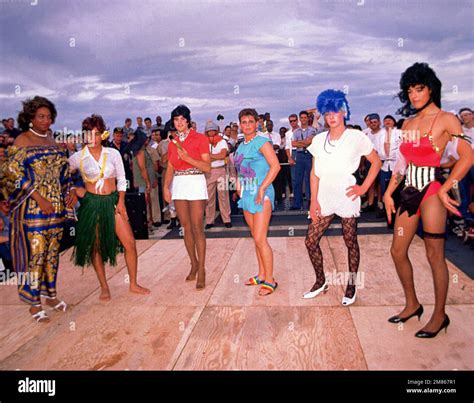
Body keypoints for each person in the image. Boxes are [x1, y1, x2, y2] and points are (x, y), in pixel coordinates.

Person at [384, 63, 472, 338]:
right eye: (409, 90)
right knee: (397, 251)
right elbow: (401, 162)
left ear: (430, 88)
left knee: (435, 255)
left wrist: (447, 187)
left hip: (433, 190)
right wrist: (388, 192)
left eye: (418, 88)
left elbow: (467, 156)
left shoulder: (447, 119)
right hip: (409, 191)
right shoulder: (408, 123)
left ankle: (439, 315)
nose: (413, 94)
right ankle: (412, 303)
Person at [1, 96, 77, 322]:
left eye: (49, 116)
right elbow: (12, 173)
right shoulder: (22, 140)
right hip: (33, 208)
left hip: (55, 208)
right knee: (36, 254)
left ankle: (51, 295)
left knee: (52, 254)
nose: (46, 120)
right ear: (30, 118)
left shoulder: (52, 140)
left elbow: (64, 172)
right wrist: (37, 196)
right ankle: (34, 302)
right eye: (41, 116)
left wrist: (69, 191)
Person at [303, 90, 381, 305]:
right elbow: (314, 172)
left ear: (343, 112)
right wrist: (313, 200)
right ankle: (321, 281)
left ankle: (351, 286)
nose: (331, 117)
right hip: (324, 195)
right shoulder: (319, 140)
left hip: (347, 194)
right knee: (310, 241)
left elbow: (376, 162)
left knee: (350, 242)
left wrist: (364, 188)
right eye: (327, 113)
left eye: (335, 112)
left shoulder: (356, 137)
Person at [69, 114, 150, 301]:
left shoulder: (112, 154)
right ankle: (104, 287)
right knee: (96, 247)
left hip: (113, 201)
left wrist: (121, 201)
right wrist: (74, 189)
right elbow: (61, 174)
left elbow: (122, 179)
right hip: (92, 205)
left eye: (97, 134)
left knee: (129, 242)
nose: (93, 138)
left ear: (102, 134)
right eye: (89, 134)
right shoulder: (77, 158)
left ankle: (133, 283)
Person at [234, 108, 281, 296]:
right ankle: (261, 274)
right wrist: (238, 184)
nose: (247, 125)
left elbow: (276, 166)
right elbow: (239, 168)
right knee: (256, 238)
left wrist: (262, 188)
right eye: (243, 122)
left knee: (261, 238)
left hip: (262, 193)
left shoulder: (262, 142)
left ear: (257, 123)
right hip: (246, 194)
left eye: (250, 122)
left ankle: (270, 280)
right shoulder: (240, 145)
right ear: (240, 124)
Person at [163, 105, 211, 289]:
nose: (180, 123)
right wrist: (166, 188)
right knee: (186, 227)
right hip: (180, 184)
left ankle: (203, 269)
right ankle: (194, 263)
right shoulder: (171, 142)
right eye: (176, 120)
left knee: (198, 226)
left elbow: (207, 167)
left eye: (183, 119)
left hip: (196, 181)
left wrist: (187, 157)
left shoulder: (200, 138)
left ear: (188, 121)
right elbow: (170, 167)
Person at [204, 121, 232, 229]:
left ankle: (226, 219)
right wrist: (216, 156)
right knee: (209, 197)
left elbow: (223, 155)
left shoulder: (222, 142)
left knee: (223, 196)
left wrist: (211, 156)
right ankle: (209, 221)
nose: (211, 132)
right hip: (209, 171)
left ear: (216, 130)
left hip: (220, 170)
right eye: (208, 130)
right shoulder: (204, 142)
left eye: (212, 130)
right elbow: (204, 157)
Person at [291, 111, 317, 210]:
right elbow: (294, 144)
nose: (303, 119)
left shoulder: (312, 130)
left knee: (310, 179)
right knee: (298, 180)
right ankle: (297, 203)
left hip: (309, 155)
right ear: (299, 119)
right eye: (301, 118)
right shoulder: (296, 132)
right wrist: (305, 142)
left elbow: (310, 142)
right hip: (300, 155)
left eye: (305, 117)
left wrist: (301, 142)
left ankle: (311, 200)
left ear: (308, 119)